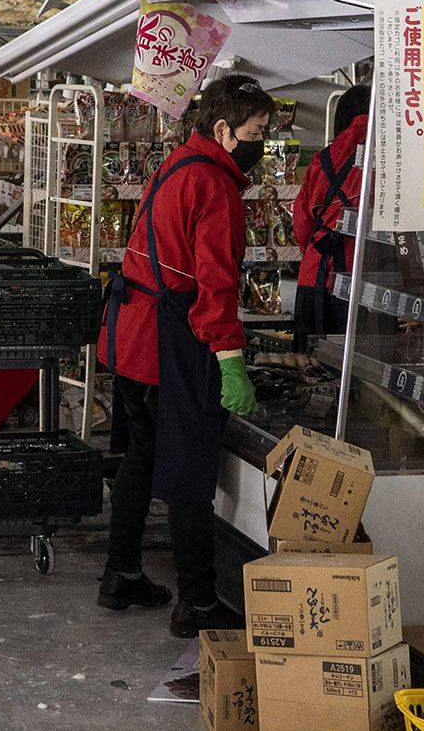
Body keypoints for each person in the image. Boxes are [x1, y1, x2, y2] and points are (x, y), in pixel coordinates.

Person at [96, 74, 274, 635]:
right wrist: (231, 359)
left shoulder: (177, 165)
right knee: (189, 470)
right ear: (223, 129)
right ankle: (196, 603)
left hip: (128, 337)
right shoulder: (216, 188)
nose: (260, 144)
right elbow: (216, 286)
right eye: (255, 132)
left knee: (142, 457)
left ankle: (120, 575)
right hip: (169, 343)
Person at [289, 84, 370, 348]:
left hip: (315, 275)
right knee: (359, 372)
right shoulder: (392, 153)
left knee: (307, 370)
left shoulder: (323, 158)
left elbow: (301, 222)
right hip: (362, 282)